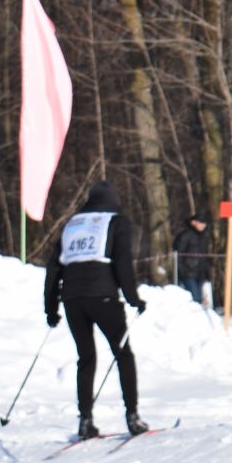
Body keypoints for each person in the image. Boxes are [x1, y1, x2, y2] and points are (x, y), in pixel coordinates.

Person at [42, 181, 149, 439]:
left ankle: (85, 421)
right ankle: (132, 416)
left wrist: (51, 307)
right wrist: (133, 298)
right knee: (123, 354)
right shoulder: (116, 221)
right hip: (103, 295)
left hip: (72, 299)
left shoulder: (72, 225)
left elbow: (54, 268)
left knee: (86, 358)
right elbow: (123, 263)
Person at [172, 211, 213, 306]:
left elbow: (205, 256)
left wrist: (207, 272)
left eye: (204, 223)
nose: (203, 225)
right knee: (195, 299)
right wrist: (182, 271)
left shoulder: (205, 237)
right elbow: (179, 255)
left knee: (201, 300)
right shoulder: (185, 235)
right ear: (193, 222)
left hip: (200, 273)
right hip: (188, 273)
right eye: (200, 223)